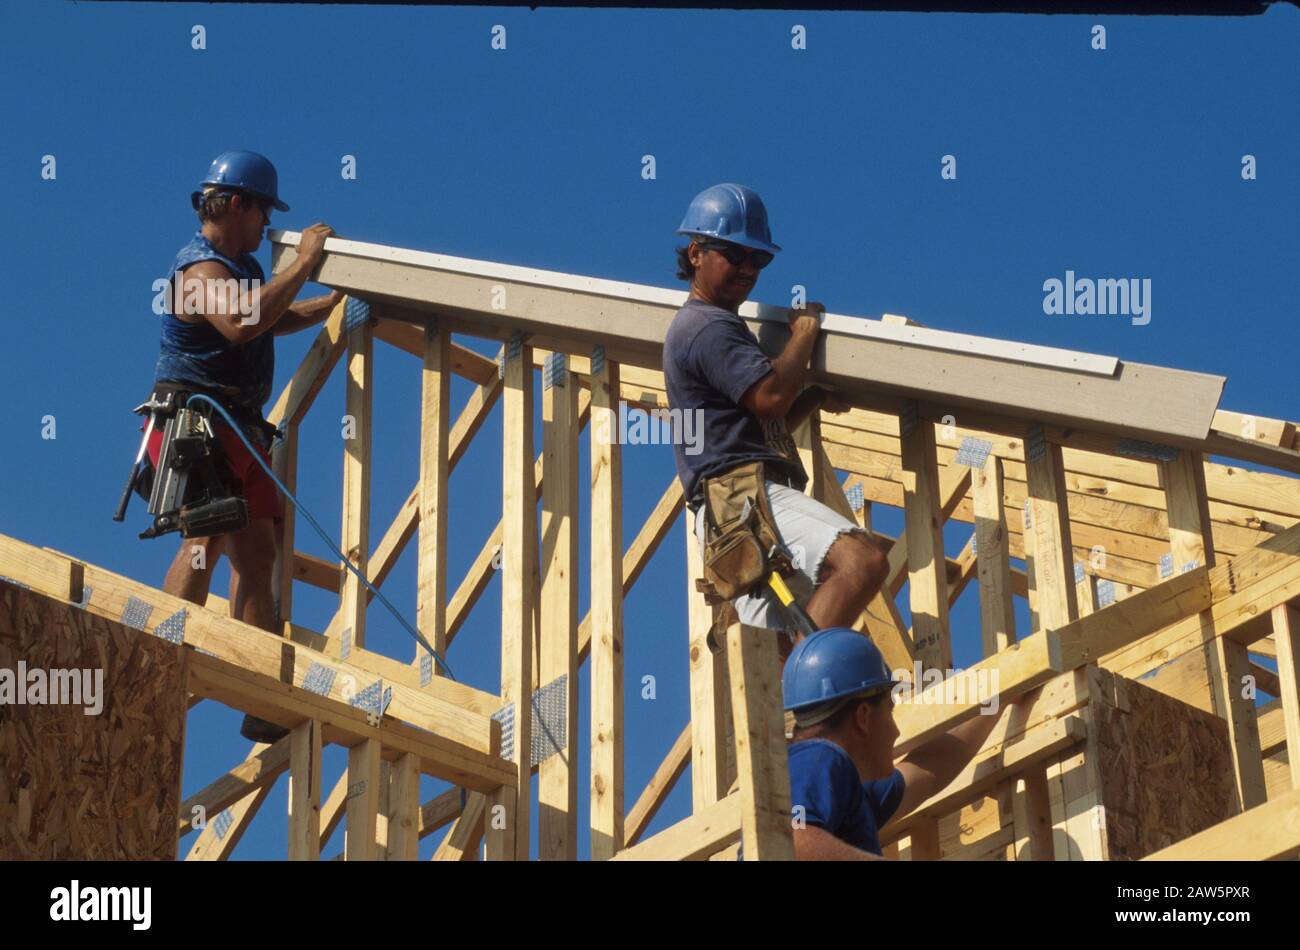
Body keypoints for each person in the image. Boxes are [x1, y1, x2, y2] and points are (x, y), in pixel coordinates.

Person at [144, 149, 340, 742]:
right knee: (205, 535)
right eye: (262, 212)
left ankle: (259, 694)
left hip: (241, 427)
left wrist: (330, 305)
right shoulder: (200, 271)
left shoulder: (244, 271)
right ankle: (160, 663)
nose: (266, 225)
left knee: (257, 556)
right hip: (197, 421)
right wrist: (305, 263)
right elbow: (242, 324)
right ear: (235, 205)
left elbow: (270, 317)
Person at [662, 183, 889, 641]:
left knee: (787, 642)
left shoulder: (715, 325)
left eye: (757, 259)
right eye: (734, 254)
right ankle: (809, 683)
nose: (747, 269)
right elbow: (770, 398)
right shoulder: (707, 326)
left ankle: (796, 702)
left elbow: (766, 421)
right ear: (695, 253)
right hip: (744, 498)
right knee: (862, 561)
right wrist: (804, 332)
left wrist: (816, 397)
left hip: (735, 510)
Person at [783, 627, 1010, 859]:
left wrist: (1000, 696)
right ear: (863, 717)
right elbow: (792, 840)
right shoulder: (815, 757)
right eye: (890, 712)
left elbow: (929, 769)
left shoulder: (849, 801)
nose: (896, 731)